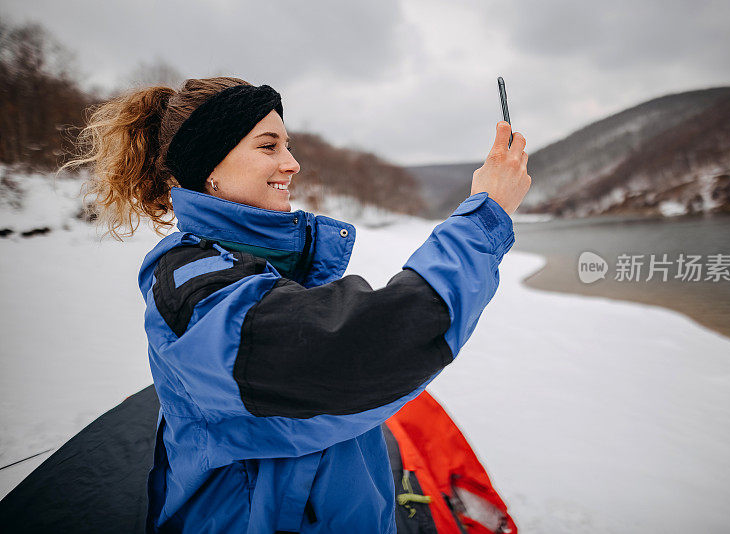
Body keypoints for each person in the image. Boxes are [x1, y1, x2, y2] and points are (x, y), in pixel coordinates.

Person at [67, 77, 531, 533]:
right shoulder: (192, 282)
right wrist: (484, 217)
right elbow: (365, 344)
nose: (292, 163)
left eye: (287, 145)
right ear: (209, 166)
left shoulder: (266, 266)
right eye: (268, 146)